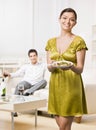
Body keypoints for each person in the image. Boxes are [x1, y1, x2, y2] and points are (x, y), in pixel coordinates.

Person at [45, 8, 88, 130]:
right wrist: (51, 65)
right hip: (55, 86)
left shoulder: (79, 41)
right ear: (59, 19)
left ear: (75, 23)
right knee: (62, 126)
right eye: (64, 18)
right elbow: (49, 68)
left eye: (72, 19)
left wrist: (71, 66)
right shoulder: (50, 42)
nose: (67, 22)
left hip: (71, 85)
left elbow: (80, 69)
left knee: (63, 126)